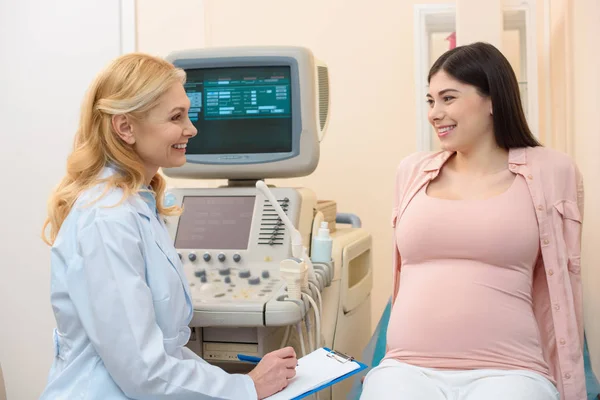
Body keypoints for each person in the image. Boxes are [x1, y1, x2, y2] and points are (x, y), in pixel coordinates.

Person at [40, 53, 296, 400]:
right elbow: (144, 371)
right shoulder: (107, 219)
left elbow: (161, 352)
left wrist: (240, 383)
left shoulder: (136, 204)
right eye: (176, 117)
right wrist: (247, 386)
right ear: (125, 127)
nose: (191, 129)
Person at [361, 42, 585, 400]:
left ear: (493, 98)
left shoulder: (550, 171)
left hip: (511, 370)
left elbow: (563, 282)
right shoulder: (412, 171)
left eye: (448, 98)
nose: (435, 113)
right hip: (407, 367)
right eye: (431, 101)